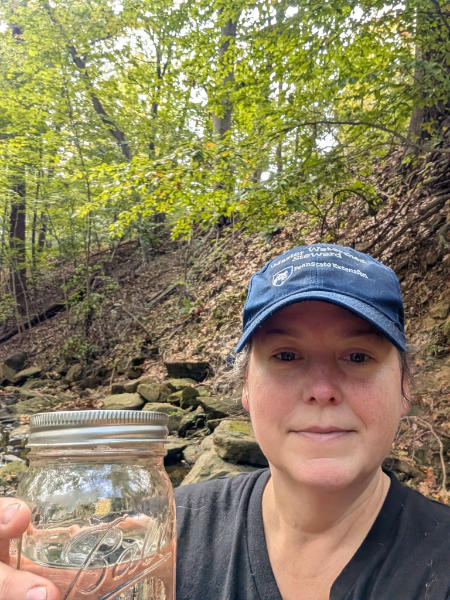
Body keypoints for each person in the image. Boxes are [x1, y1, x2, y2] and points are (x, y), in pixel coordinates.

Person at [0, 243, 448, 600]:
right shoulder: (162, 538)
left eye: (357, 356)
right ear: (246, 389)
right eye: (286, 356)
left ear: (405, 385)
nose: (322, 388)